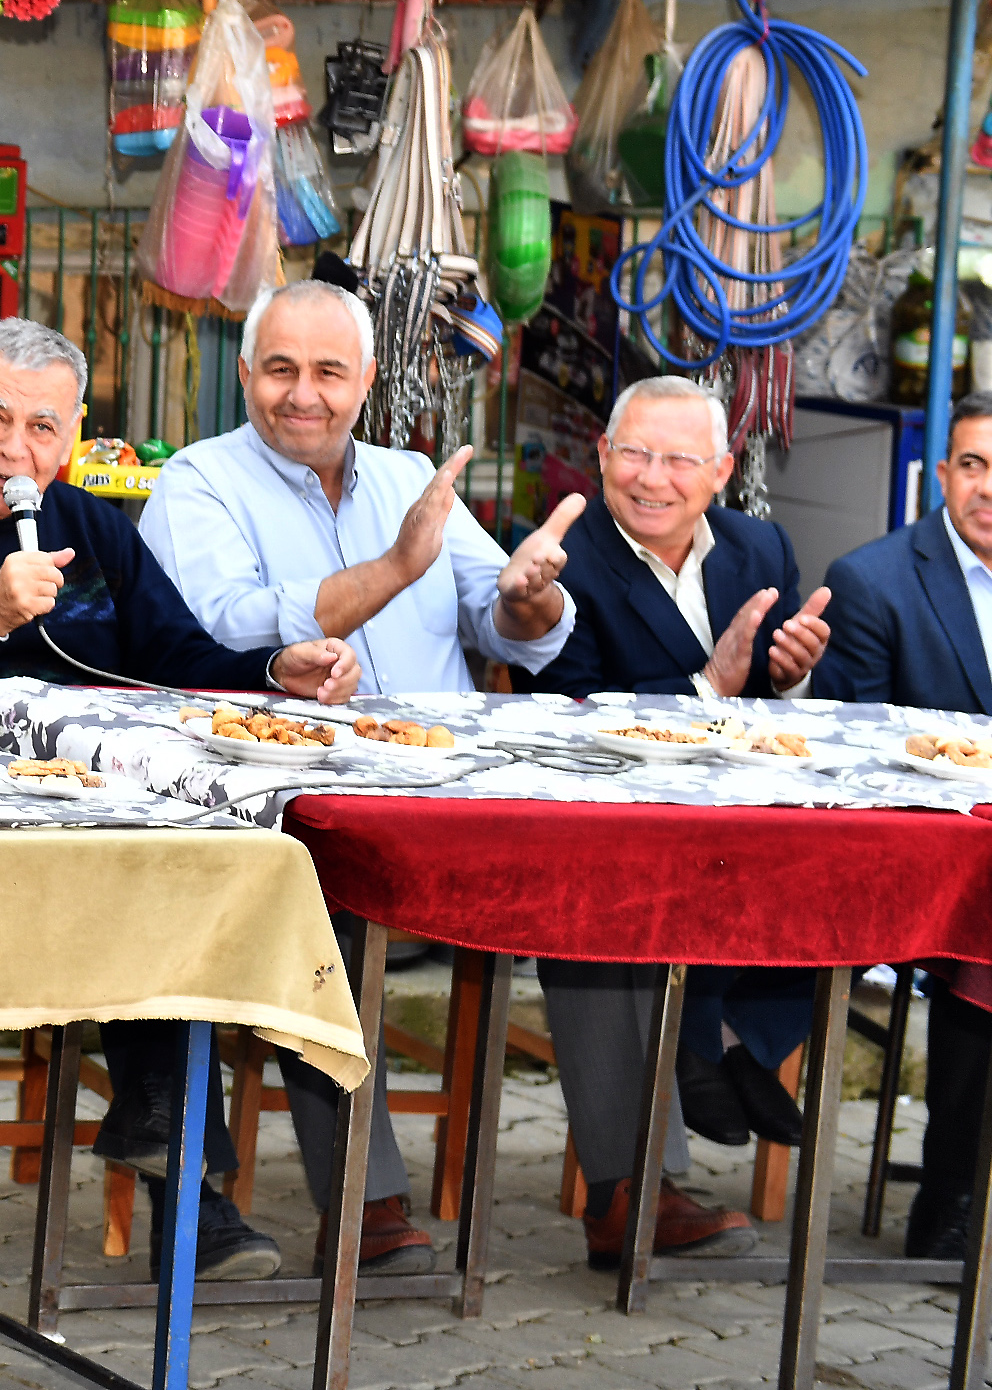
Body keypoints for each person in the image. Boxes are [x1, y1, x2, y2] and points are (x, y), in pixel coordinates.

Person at [139, 281, 754, 1274]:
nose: (306, 394)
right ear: (246, 372)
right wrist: (393, 566)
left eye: (330, 371)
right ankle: (370, 1204)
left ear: (368, 380)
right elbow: (221, 627)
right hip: (298, 802)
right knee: (311, 905)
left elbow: (501, 614)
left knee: (588, 879)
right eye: (282, 369)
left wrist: (524, 598)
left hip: (446, 792)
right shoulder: (197, 480)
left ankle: (633, 1186)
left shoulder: (408, 472)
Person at [0, 316, 360, 1283]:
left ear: (72, 437)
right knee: (148, 877)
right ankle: (189, 1189)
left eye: (43, 428)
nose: (16, 451)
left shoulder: (96, 530)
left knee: (197, 868)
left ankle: (176, 1166)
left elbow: (179, 664)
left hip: (103, 833)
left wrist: (278, 669)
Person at [528, 375, 827, 1157]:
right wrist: (708, 688)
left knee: (851, 873)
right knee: (680, 883)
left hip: (744, 815)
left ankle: (732, 1040)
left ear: (722, 471)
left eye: (680, 460)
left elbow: (775, 696)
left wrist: (793, 675)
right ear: (600, 456)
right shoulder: (564, 558)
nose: (653, 479)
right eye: (634, 454)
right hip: (622, 823)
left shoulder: (761, 547)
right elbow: (571, 710)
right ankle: (700, 1046)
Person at [815, 388, 992, 1264]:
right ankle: (949, 1196)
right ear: (943, 475)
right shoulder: (874, 580)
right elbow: (855, 756)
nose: (990, 487)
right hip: (932, 867)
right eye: (974, 464)